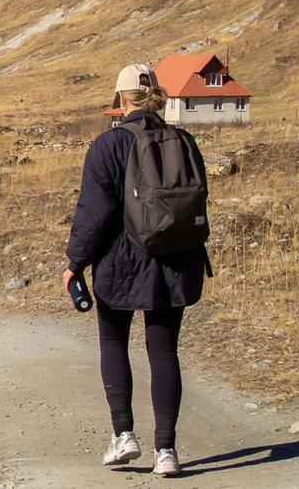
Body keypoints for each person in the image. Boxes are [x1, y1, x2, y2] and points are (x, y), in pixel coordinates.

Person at [64, 63, 207, 478]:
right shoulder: (184, 139)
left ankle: (123, 435)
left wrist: (75, 262)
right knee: (163, 350)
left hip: (120, 262)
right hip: (176, 259)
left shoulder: (107, 145)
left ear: (120, 98)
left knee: (113, 341)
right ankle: (167, 450)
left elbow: (94, 212)